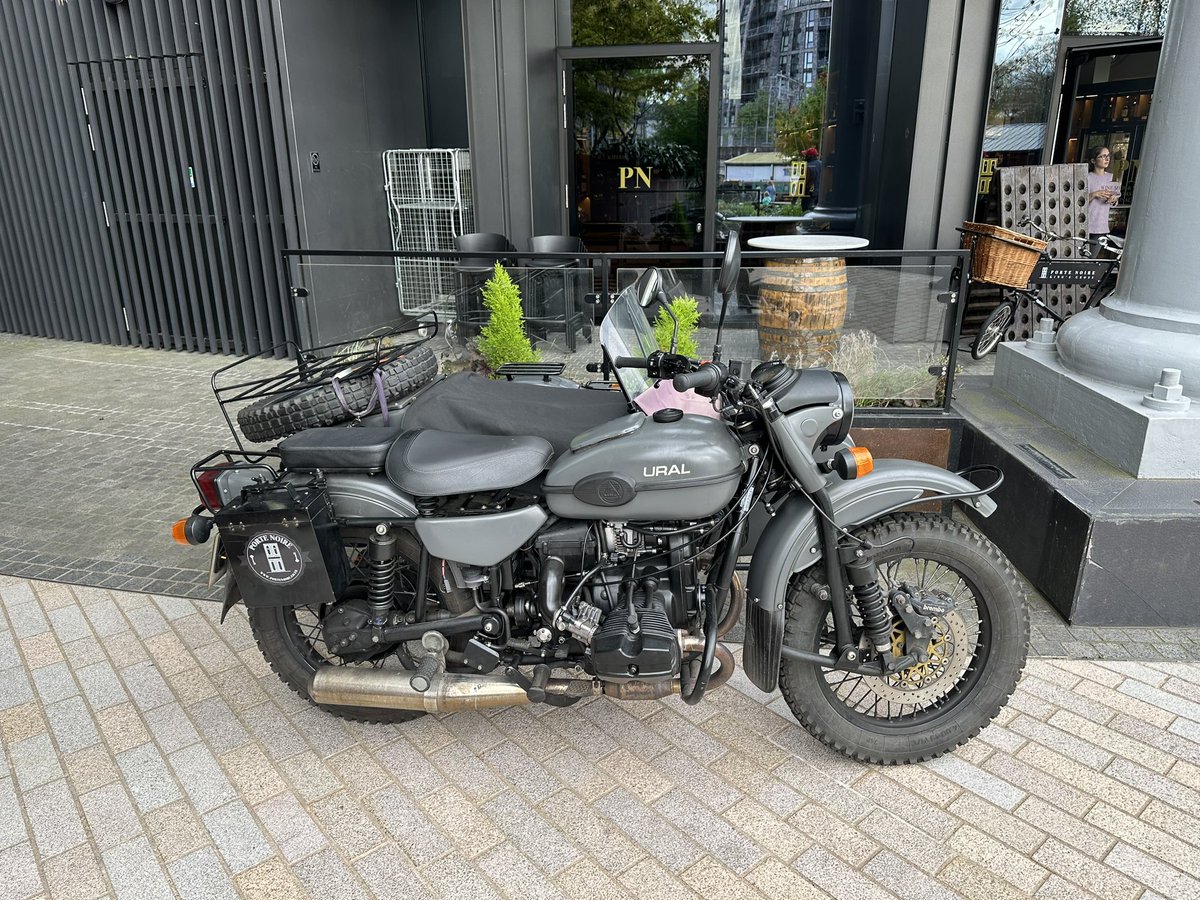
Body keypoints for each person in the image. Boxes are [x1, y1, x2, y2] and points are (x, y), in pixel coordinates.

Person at [1086, 145, 1120, 256]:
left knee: (1092, 258)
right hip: (1085, 223)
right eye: (1103, 156)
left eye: (1108, 156)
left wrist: (1113, 200)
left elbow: (1115, 200)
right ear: (1093, 160)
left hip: (1101, 225)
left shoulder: (1111, 177)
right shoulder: (1087, 177)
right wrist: (1094, 194)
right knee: (1080, 257)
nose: (1107, 159)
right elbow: (1078, 201)